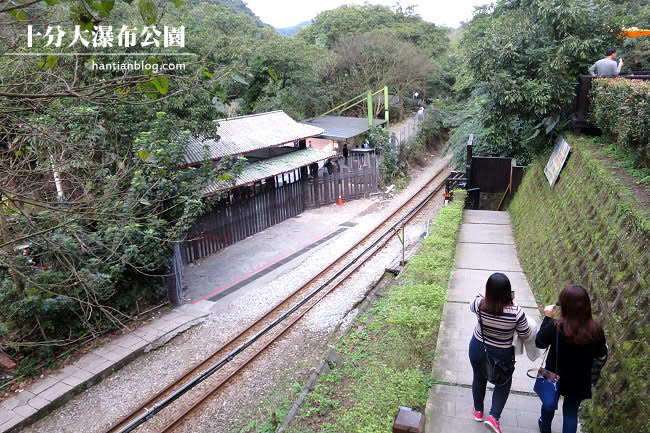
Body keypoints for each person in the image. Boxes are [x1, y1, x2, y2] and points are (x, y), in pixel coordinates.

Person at [535, 285, 607, 433]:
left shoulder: (556, 326)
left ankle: (545, 426)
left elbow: (539, 342)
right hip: (580, 379)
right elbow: (601, 353)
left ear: (564, 305)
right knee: (570, 413)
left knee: (548, 403)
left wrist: (547, 319)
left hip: (551, 373)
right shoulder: (596, 329)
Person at [469, 273, 532, 433]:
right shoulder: (516, 312)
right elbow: (526, 334)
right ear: (508, 292)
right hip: (502, 353)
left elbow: (473, 303)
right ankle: (493, 417)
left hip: (478, 347)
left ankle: (478, 411)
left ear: (488, 291)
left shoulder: (479, 304)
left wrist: (484, 293)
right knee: (503, 383)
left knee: (478, 377)